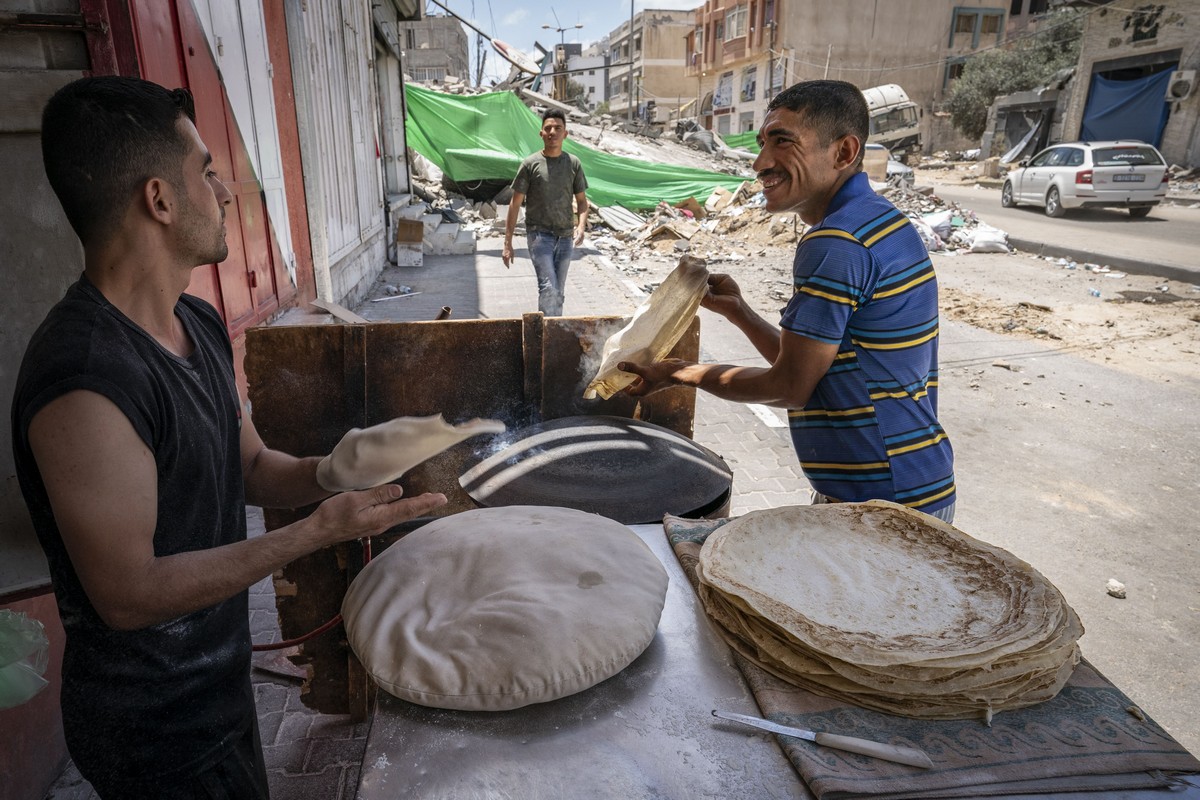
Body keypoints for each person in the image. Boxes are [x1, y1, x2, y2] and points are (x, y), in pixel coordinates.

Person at [11, 76, 449, 798]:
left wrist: (333, 469)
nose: (224, 190)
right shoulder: (85, 378)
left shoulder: (200, 323)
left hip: (217, 689)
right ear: (158, 199)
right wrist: (314, 534)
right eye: (206, 171)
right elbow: (126, 593)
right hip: (151, 735)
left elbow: (249, 466)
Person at [619, 80, 956, 523]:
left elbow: (789, 388)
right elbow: (814, 370)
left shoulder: (836, 242)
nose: (760, 163)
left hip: (883, 505)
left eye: (783, 142)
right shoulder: (880, 221)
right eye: (762, 144)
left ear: (843, 152)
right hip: (914, 485)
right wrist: (740, 313)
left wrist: (679, 372)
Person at [502, 108, 589, 316]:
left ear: (565, 134)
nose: (552, 132)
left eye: (558, 128)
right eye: (548, 128)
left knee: (558, 292)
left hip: (566, 237)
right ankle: (547, 338)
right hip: (539, 237)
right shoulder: (530, 164)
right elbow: (514, 205)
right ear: (541, 133)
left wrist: (581, 226)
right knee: (549, 289)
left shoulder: (573, 163)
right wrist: (508, 243)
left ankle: (551, 332)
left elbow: (582, 202)